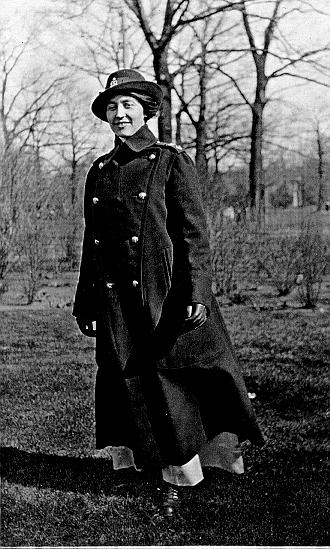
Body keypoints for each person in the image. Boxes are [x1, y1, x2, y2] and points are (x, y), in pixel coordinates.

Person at [73, 69, 263, 517]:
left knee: (171, 385)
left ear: (146, 110)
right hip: (117, 302)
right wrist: (86, 299)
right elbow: (92, 243)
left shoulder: (170, 162)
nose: (120, 114)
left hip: (166, 296)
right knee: (129, 383)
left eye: (128, 106)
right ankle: (145, 465)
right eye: (113, 107)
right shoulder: (100, 171)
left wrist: (197, 292)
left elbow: (195, 235)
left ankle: (179, 478)